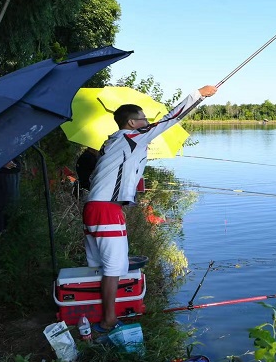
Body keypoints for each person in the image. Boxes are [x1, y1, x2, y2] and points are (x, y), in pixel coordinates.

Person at [83, 85, 217, 333]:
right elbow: (170, 119)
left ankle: (89, 313)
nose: (147, 122)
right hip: (106, 210)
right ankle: (108, 321)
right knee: (113, 268)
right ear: (133, 123)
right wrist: (198, 95)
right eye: (143, 118)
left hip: (94, 207)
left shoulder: (113, 141)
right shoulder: (132, 137)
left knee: (97, 265)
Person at [0, 156, 22, 232]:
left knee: (11, 209)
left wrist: (12, 164)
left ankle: (8, 233)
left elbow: (17, 166)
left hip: (9, 179)